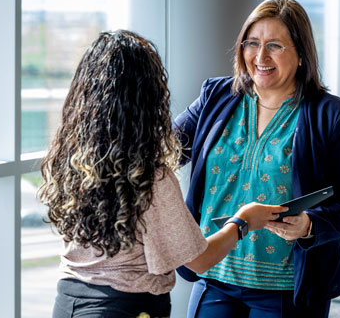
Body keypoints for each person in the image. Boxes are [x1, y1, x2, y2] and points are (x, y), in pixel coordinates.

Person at [38, 30, 287, 318]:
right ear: (148, 98)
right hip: (127, 308)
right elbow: (200, 260)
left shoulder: (72, 158)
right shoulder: (149, 177)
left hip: (68, 302)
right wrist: (243, 221)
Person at [174, 0, 340, 318]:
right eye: (252, 43)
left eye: (275, 46)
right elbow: (163, 152)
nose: (260, 56)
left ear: (302, 54)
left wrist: (310, 224)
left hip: (288, 288)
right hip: (214, 274)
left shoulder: (332, 115)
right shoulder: (216, 96)